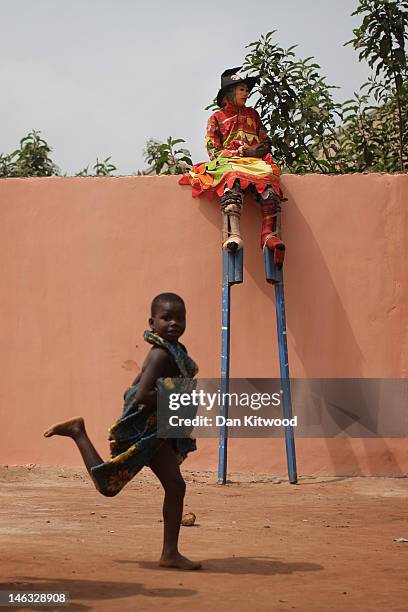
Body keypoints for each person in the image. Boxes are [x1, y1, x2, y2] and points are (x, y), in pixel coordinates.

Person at [44, 292, 202, 571]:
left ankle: (170, 553)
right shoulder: (161, 354)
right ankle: (78, 432)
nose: (174, 323)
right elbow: (142, 395)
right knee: (114, 486)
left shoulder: (172, 352)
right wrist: (180, 396)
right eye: (167, 318)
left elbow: (134, 385)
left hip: (154, 430)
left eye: (180, 318)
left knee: (169, 486)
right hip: (145, 433)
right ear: (152, 323)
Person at [179, 67, 285, 264]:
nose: (246, 93)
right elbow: (213, 150)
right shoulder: (216, 118)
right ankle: (233, 234)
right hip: (229, 162)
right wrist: (236, 154)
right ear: (230, 92)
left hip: (255, 162)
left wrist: (254, 152)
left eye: (246, 89)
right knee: (232, 179)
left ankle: (268, 235)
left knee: (269, 180)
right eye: (242, 89)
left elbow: (266, 142)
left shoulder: (253, 115)